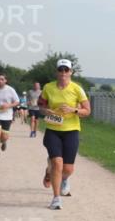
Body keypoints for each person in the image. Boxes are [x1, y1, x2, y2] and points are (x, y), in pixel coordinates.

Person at [39, 59, 91, 210]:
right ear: (56, 72)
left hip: (71, 130)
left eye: (66, 70)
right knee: (57, 163)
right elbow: (41, 105)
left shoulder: (77, 89)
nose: (63, 73)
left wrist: (73, 110)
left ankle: (60, 177)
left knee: (67, 169)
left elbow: (87, 111)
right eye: (60, 70)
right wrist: (45, 110)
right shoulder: (48, 87)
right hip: (53, 129)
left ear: (71, 72)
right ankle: (56, 199)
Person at [0, 75, 21, 161]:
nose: (0, 81)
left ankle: (4, 141)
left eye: (2, 79)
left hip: (7, 116)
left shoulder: (10, 90)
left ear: (5, 80)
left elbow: (17, 101)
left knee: (4, 136)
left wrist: (9, 105)